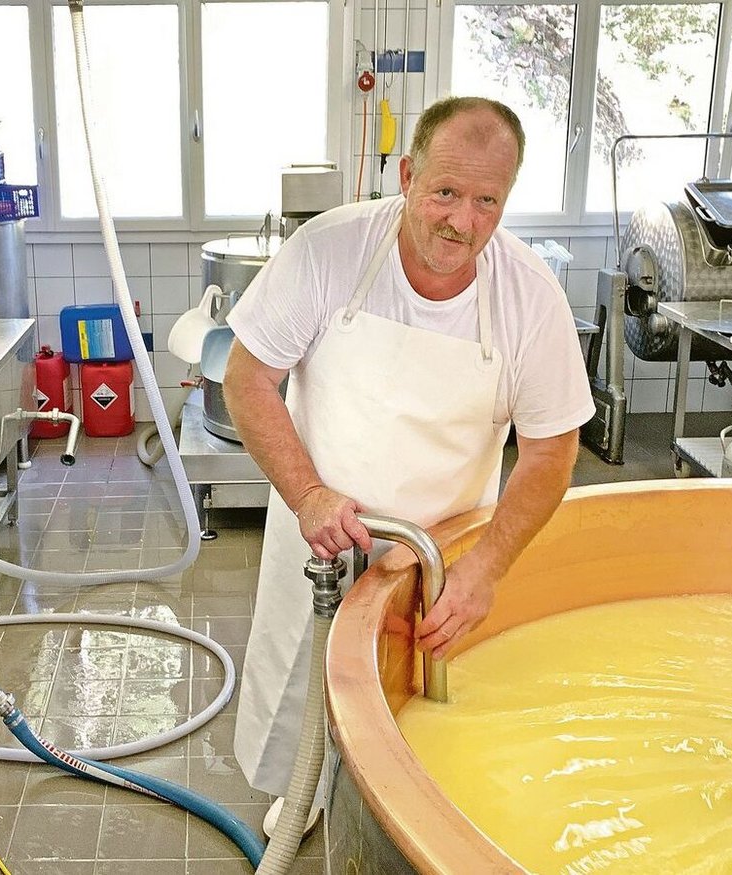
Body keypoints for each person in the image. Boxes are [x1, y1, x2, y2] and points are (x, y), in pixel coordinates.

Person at [222, 96, 595, 832]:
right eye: (446, 192)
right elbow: (247, 378)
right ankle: (301, 797)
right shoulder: (331, 252)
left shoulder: (529, 298)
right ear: (406, 175)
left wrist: (485, 566)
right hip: (323, 539)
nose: (462, 221)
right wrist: (307, 494)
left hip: (436, 562)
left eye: (487, 201)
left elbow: (553, 450)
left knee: (414, 737)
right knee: (302, 709)